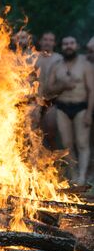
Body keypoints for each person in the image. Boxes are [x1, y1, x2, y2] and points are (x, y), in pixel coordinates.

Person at [45, 36, 94, 185]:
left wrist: (89, 113)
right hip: (62, 107)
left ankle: (82, 177)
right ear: (62, 46)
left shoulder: (85, 65)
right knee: (67, 145)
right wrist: (63, 85)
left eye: (71, 43)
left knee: (82, 143)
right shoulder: (57, 66)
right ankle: (73, 175)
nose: (68, 46)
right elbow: (49, 89)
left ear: (77, 46)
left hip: (81, 107)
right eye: (65, 43)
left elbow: (92, 91)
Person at [35, 32, 63, 149]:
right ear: (41, 41)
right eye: (45, 39)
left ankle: (53, 158)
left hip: (52, 101)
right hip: (35, 100)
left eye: (50, 40)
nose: (47, 42)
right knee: (34, 132)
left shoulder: (59, 59)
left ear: (54, 43)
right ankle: (36, 158)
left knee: (50, 132)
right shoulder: (33, 57)